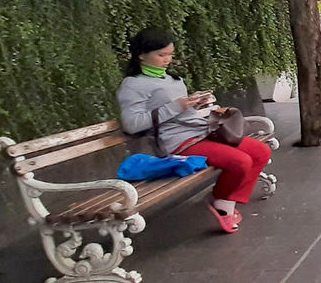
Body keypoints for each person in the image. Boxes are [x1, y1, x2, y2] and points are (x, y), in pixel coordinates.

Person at [117, 28, 272, 234]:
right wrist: (175, 106)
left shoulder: (174, 80)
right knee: (240, 161)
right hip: (177, 141)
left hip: (201, 131)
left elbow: (181, 110)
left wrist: (195, 103)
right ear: (141, 55)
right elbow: (132, 124)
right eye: (161, 55)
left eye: (170, 54)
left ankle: (225, 199)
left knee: (261, 151)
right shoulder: (133, 85)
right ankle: (223, 204)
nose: (167, 60)